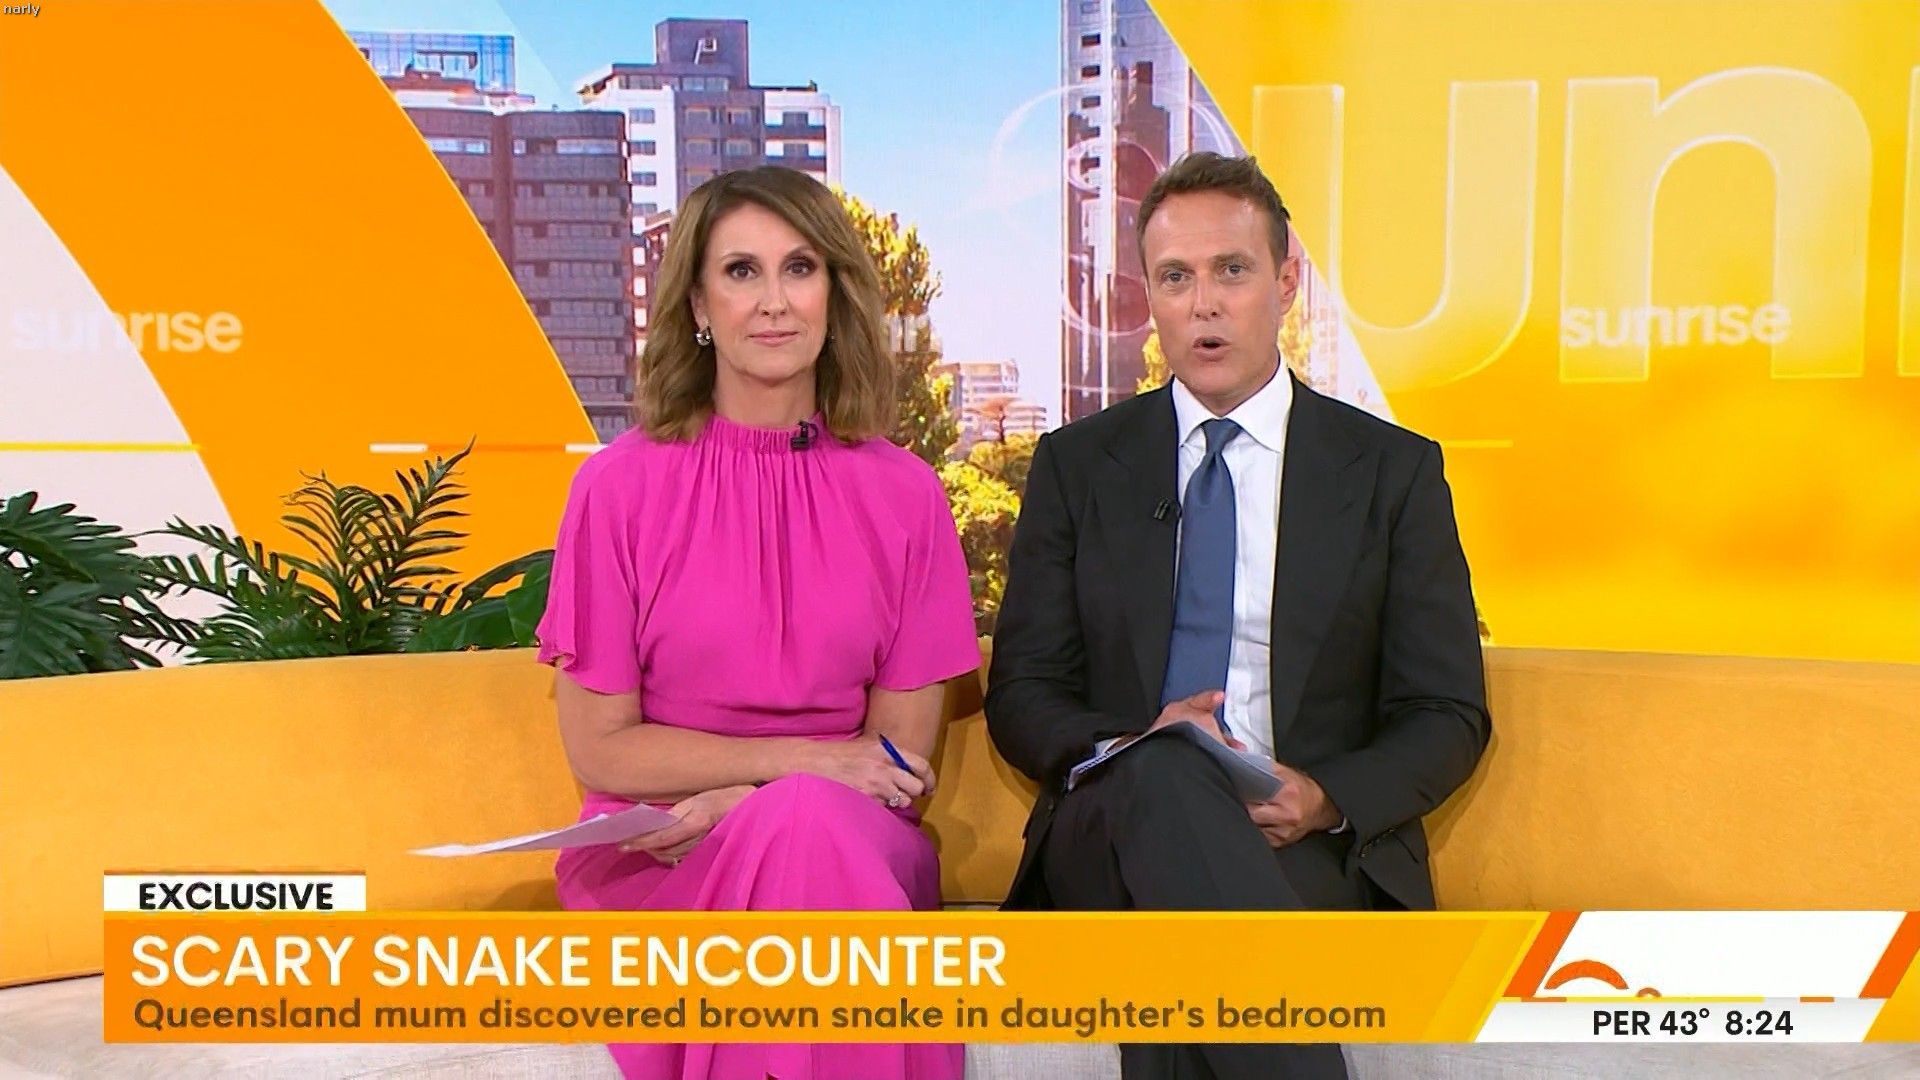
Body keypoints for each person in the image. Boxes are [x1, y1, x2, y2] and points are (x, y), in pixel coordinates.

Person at [985, 152, 1492, 1079]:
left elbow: (1446, 710)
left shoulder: (1391, 471)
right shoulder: (1079, 465)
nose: (1204, 305)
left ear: (1286, 283)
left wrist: (1323, 797)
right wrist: (1133, 750)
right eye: (1176, 278)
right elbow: (1024, 692)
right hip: (1111, 825)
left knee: (1184, 950)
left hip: (1303, 839)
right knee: (1168, 771)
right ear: (1150, 297)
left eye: (1232, 270)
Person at [534, 165, 978, 1080]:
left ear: (833, 295)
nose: (773, 301)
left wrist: (764, 808)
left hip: (853, 842)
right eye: (742, 271)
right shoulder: (616, 489)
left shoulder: (906, 496)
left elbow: (897, 767)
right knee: (801, 825)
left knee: (807, 833)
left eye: (799, 268)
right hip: (662, 850)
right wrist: (798, 766)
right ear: (699, 303)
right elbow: (602, 751)